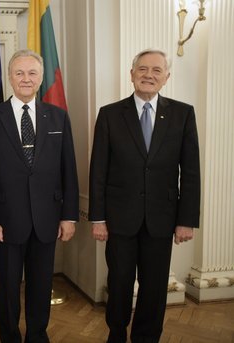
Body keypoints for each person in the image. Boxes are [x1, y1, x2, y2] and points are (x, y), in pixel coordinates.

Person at [89, 48, 201, 342]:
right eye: (142, 69)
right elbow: (98, 171)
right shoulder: (110, 114)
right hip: (119, 220)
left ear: (166, 77)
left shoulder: (183, 114)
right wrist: (97, 218)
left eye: (156, 70)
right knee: (120, 283)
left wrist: (186, 220)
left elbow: (190, 172)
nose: (148, 75)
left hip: (162, 220)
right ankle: (116, 333)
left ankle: (147, 337)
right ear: (132, 75)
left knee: (154, 288)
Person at [0, 49, 79, 342]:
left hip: (47, 218)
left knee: (41, 285)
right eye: (19, 72)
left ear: (41, 78)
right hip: (5, 222)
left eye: (32, 73)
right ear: (10, 77)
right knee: (8, 288)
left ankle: (37, 335)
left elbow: (68, 169)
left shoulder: (58, 117)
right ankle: (9, 337)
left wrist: (69, 215)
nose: (25, 78)